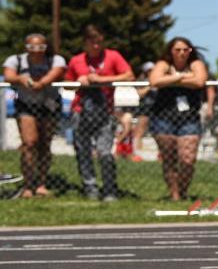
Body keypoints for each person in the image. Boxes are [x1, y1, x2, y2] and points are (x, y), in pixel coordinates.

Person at [65, 25, 135, 200]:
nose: (96, 46)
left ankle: (109, 188)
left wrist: (102, 80)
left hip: (105, 111)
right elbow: (67, 84)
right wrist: (78, 82)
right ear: (85, 43)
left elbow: (129, 75)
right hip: (80, 111)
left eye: (99, 42)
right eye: (92, 43)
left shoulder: (113, 56)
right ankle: (90, 187)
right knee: (83, 151)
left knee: (105, 152)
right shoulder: (76, 60)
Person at [3, 32, 67, 197]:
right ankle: (28, 184)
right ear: (26, 47)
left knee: (44, 144)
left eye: (41, 46)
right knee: (29, 143)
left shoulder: (55, 60)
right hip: (26, 105)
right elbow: (8, 75)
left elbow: (58, 72)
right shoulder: (16, 60)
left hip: (49, 105)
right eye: (32, 46)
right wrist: (21, 80)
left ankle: (41, 184)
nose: (36, 50)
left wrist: (42, 83)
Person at [145, 37, 208, 201]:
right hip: (163, 117)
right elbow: (154, 81)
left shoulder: (196, 64)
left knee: (188, 159)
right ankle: (175, 195)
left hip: (189, 118)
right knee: (169, 159)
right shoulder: (163, 64)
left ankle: (183, 191)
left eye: (185, 50)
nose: (182, 53)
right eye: (177, 50)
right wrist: (181, 78)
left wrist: (170, 79)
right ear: (171, 51)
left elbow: (200, 81)